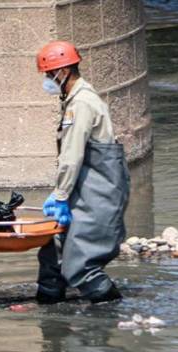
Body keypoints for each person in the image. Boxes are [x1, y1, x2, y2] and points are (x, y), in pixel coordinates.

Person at [34, 41, 130, 304]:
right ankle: (48, 309)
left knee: (81, 267)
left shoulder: (82, 104)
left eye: (48, 74)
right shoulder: (74, 100)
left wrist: (61, 195)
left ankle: (113, 312)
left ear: (63, 72)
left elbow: (72, 155)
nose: (46, 80)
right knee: (52, 252)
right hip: (85, 188)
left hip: (99, 192)